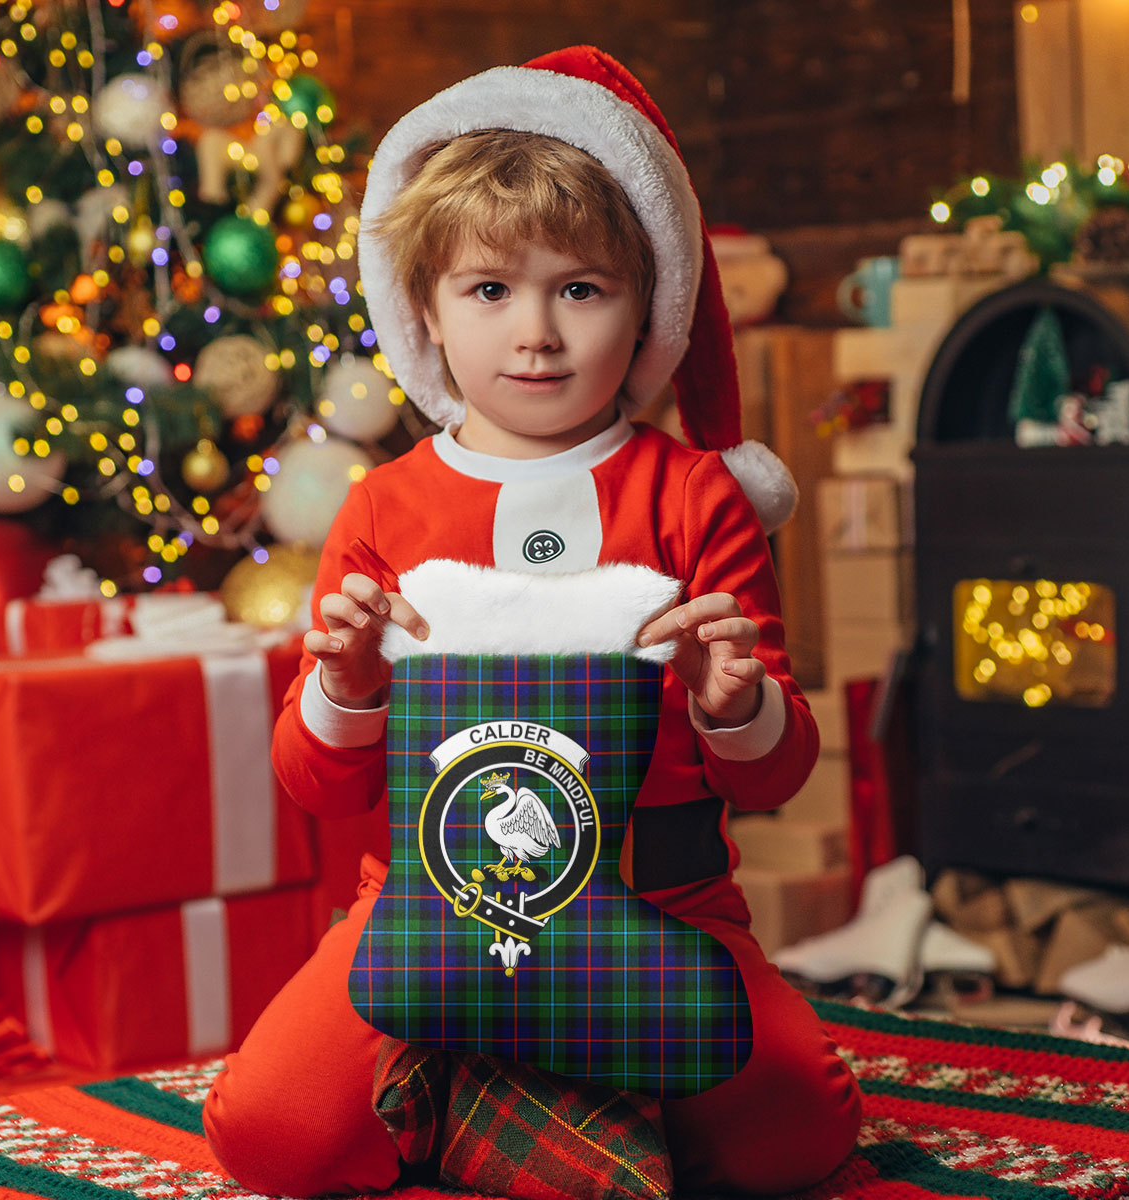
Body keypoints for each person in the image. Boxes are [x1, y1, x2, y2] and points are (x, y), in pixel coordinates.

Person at [203, 45, 861, 1197]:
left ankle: (506, 1088)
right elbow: (318, 785)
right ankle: (519, 1089)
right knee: (271, 1136)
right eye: (491, 289)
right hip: (426, 903)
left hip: (663, 901)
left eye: (581, 288)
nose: (537, 334)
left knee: (796, 1137)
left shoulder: (695, 496)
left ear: (644, 303)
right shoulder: (386, 503)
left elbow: (775, 779)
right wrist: (347, 686)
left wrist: (739, 705)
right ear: (426, 310)